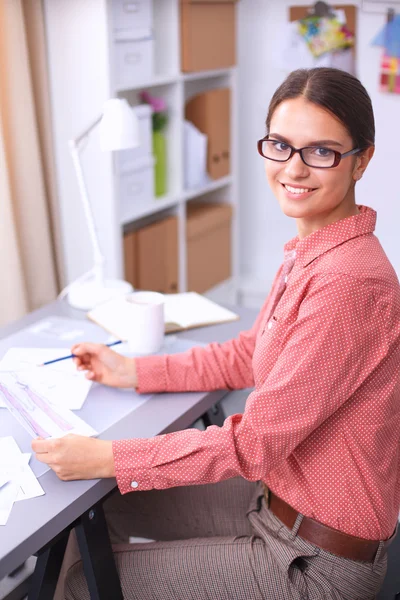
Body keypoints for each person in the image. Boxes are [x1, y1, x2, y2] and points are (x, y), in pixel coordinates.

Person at [33, 67, 400, 600]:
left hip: (311, 560)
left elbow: (254, 442)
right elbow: (252, 352)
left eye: (321, 151)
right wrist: (135, 371)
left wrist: (110, 456)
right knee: (96, 512)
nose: (293, 168)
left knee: (81, 578)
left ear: (361, 159)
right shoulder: (316, 249)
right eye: (281, 145)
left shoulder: (349, 283)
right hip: (274, 499)